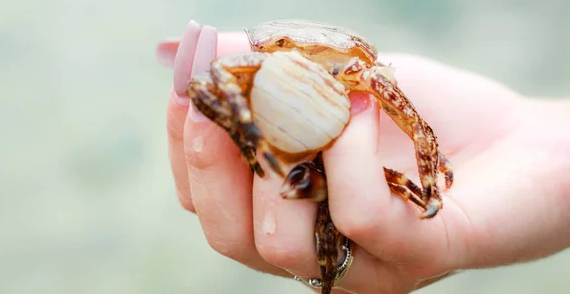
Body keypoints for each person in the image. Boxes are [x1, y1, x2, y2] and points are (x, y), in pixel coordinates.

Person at [157, 20, 570, 293]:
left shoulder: (362, 78)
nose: (302, 55)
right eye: (286, 46)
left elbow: (411, 118)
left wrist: (432, 156)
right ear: (270, 49)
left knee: (333, 197)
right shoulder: (258, 64)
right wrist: (242, 129)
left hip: (341, 95)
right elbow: (214, 83)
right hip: (288, 112)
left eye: (314, 50)